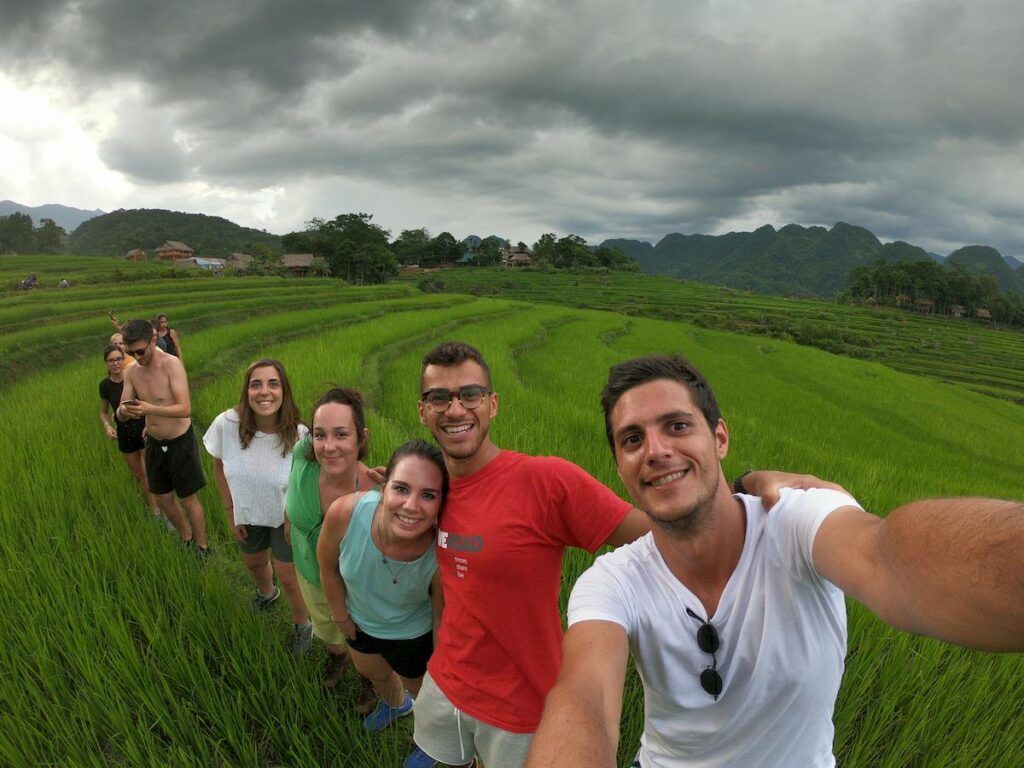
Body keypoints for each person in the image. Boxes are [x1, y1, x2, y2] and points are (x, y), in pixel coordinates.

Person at [525, 354, 1024, 768]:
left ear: (719, 438)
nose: (655, 450)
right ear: (619, 464)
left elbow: (886, 557)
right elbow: (584, 695)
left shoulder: (797, 521)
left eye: (677, 426)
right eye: (632, 439)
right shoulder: (613, 580)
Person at [405, 341, 650, 768]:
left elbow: (655, 534)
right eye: (439, 397)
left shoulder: (545, 481)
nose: (455, 409)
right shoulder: (430, 489)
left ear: (492, 404)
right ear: (423, 411)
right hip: (446, 682)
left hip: (523, 706)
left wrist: (751, 494)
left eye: (470, 394)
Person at [317, 439, 446, 733]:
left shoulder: (439, 558)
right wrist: (342, 617)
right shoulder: (345, 514)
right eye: (401, 488)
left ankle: (429, 738)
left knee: (424, 696)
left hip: (412, 638)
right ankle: (396, 705)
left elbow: (441, 619)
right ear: (383, 487)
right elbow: (328, 567)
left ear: (441, 505)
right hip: (358, 626)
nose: (411, 506)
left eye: (428, 495)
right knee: (374, 674)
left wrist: (439, 671)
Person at [203, 359, 313, 654]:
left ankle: (303, 625)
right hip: (247, 513)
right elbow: (218, 466)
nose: (265, 392)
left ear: (284, 391)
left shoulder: (301, 436)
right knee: (253, 563)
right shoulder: (227, 425)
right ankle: (267, 592)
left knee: (290, 578)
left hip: (285, 519)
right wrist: (230, 511)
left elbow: (306, 484)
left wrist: (292, 518)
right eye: (256, 384)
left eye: (273, 384)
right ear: (247, 391)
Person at [285, 388, 378, 690]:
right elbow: (292, 490)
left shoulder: (375, 495)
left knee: (361, 642)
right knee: (327, 630)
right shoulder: (303, 454)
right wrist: (289, 524)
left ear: (361, 438)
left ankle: (369, 679)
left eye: (341, 434)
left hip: (354, 591)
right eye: (320, 434)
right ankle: (336, 656)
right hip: (309, 574)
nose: (328, 446)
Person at [116, 318, 209, 557]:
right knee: (164, 499)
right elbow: (121, 409)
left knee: (188, 499)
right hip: (155, 443)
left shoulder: (171, 364)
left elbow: (185, 408)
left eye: (140, 351)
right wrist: (124, 412)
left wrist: (149, 409)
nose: (136, 357)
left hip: (179, 441)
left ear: (153, 340)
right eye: (130, 352)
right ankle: (186, 537)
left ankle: (202, 546)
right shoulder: (132, 371)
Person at [98, 343, 155, 513]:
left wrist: (150, 424)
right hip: (124, 432)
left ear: (123, 359)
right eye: (111, 360)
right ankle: (152, 507)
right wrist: (107, 425)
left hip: (143, 429)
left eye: (118, 359)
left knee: (150, 472)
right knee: (139, 475)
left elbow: (149, 402)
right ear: (106, 363)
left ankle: (159, 508)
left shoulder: (134, 377)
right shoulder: (105, 385)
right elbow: (104, 412)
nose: (115, 363)